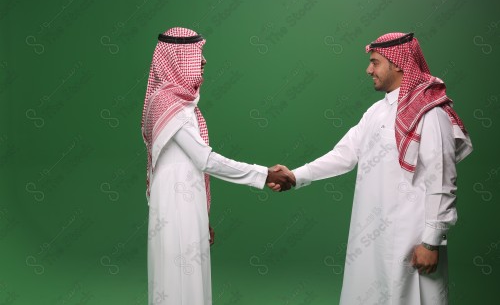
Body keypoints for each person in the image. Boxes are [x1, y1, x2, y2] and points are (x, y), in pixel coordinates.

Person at [270, 32, 473, 305]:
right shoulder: (376, 112)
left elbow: (442, 179)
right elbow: (344, 154)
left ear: (398, 63)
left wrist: (431, 241)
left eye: (375, 62)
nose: (368, 70)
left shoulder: (431, 113)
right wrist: (296, 176)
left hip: (411, 237)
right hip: (370, 235)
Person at [141, 27, 295, 305]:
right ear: (177, 59)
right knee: (176, 280)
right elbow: (205, 160)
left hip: (186, 202)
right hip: (175, 204)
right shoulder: (168, 103)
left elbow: (193, 165)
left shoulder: (180, 104)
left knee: (189, 279)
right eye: (197, 54)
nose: (203, 61)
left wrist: (202, 217)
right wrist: (264, 175)